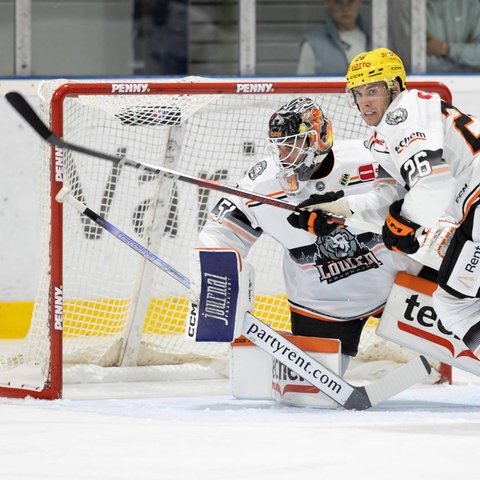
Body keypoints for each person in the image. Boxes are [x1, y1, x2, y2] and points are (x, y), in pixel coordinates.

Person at [189, 97, 422, 373]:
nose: (285, 157)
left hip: (402, 284)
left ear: (320, 137)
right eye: (280, 147)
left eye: (294, 145)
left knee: (469, 335)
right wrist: (212, 281)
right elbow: (220, 233)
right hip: (322, 305)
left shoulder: (371, 156)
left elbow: (425, 192)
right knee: (311, 392)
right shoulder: (262, 184)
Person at [289, 47, 480, 358]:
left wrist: (404, 224)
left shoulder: (405, 114)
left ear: (395, 87)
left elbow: (432, 183)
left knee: (456, 304)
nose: (364, 100)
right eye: (358, 92)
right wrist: (337, 206)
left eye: (373, 90)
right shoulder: (384, 138)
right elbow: (389, 195)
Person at [297, 0, 370, 75]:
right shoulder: (312, 44)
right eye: (338, 2)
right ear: (327, 3)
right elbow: (302, 84)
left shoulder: (376, 38)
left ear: (360, 1)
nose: (345, 9)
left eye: (351, 2)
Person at [426, 0, 480, 72]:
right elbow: (412, 65)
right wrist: (466, 59)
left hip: (468, 82)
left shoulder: (471, 4)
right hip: (425, 81)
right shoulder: (410, 6)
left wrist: (446, 49)